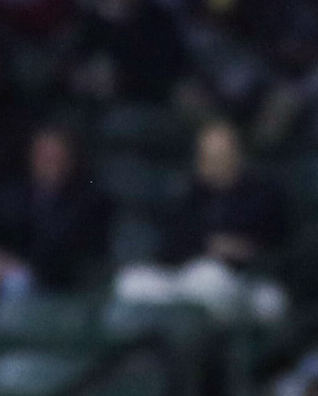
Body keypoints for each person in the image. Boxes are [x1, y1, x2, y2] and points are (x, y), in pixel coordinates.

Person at [114, 124, 290, 323]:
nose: (215, 164)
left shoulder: (263, 194)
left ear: (239, 155)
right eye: (208, 157)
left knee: (210, 277)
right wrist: (208, 244)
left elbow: (272, 242)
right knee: (130, 281)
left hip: (240, 281)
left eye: (223, 156)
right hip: (186, 275)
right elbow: (172, 243)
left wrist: (239, 249)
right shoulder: (188, 193)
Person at [0, 129, 111, 297]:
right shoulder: (11, 193)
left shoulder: (88, 201)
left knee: (16, 283)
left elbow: (71, 252)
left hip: (50, 278)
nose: (48, 162)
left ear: (70, 160)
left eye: (55, 155)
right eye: (42, 155)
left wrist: (18, 264)